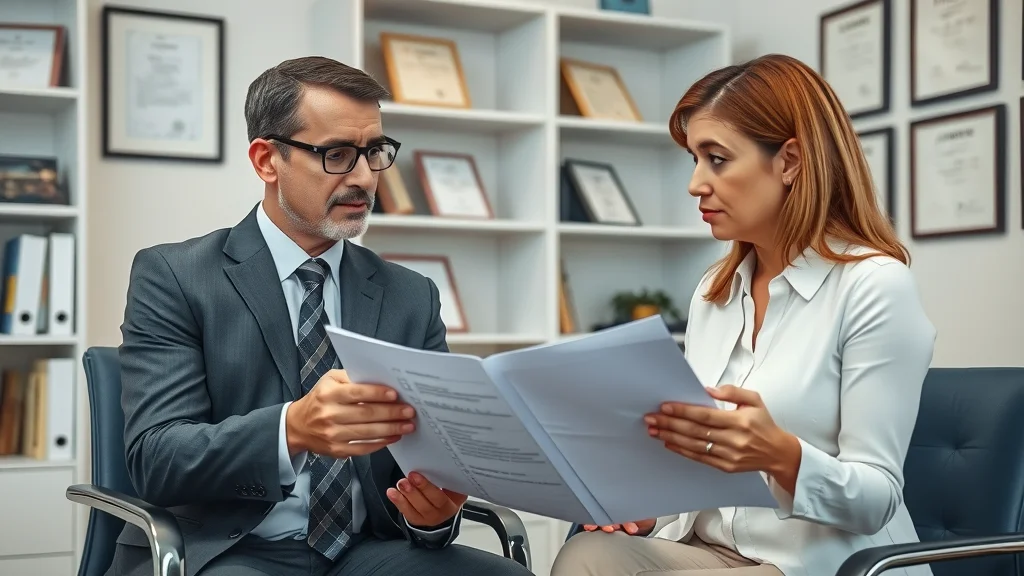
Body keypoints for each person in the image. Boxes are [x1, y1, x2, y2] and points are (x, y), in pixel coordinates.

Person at [110, 56, 533, 576]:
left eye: (374, 153)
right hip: (224, 549)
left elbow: (433, 456)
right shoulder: (174, 275)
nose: (363, 178)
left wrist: (433, 516)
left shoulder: (410, 295)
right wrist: (292, 429)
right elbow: (158, 458)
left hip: (366, 549)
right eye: (337, 154)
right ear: (267, 160)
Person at [550, 54, 936, 576]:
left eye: (717, 159)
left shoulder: (874, 285)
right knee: (588, 555)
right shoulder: (714, 291)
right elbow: (698, 461)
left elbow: (877, 500)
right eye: (694, 159)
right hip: (713, 552)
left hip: (818, 564)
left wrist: (781, 456)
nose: (696, 184)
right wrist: (648, 511)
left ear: (790, 161)